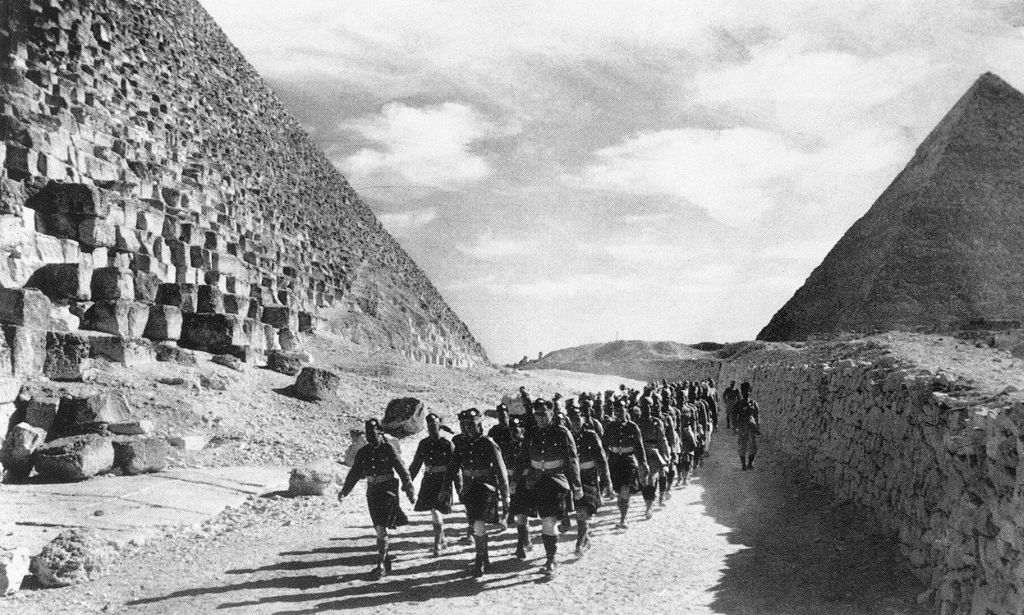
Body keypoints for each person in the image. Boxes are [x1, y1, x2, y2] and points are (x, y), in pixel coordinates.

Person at [338, 418, 415, 579]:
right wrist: (345, 490)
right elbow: (355, 473)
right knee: (378, 528)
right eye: (368, 434)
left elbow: (401, 469)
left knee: (381, 528)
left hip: (387, 491)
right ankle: (386, 560)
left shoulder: (388, 448)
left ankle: (380, 565)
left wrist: (408, 487)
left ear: (380, 432)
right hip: (372, 492)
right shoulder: (364, 452)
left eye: (373, 433)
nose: (370, 437)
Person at [521, 398, 582, 576]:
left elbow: (572, 461)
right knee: (545, 520)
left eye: (543, 414)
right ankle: (562, 519)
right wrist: (516, 479)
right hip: (537, 482)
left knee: (548, 521)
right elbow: (523, 457)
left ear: (552, 413)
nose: (540, 418)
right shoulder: (531, 433)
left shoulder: (562, 433)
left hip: (556, 481)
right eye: (537, 415)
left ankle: (551, 559)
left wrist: (576, 486)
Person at [450, 408, 510, 577]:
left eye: (472, 424)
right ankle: (484, 556)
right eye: (466, 425)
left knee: (478, 524)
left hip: (486, 488)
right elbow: (453, 467)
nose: (469, 428)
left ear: (479, 424)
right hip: (469, 488)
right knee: (477, 526)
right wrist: (444, 487)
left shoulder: (488, 443)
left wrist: (505, 494)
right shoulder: (461, 443)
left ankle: (479, 559)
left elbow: (501, 470)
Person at [408, 413, 458, 556]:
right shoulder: (423, 444)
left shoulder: (447, 444)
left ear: (439, 426)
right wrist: (408, 482)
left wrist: (458, 485)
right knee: (433, 511)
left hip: (443, 481)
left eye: (434, 426)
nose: (431, 429)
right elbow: (416, 464)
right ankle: (441, 540)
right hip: (428, 480)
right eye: (429, 426)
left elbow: (455, 467)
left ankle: (437, 543)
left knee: (436, 511)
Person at [567, 406, 612, 555]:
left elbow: (602, 459)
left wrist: (606, 480)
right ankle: (582, 540)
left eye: (578, 419)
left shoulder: (591, 435)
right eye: (572, 420)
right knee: (580, 512)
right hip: (574, 478)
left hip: (590, 477)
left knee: (585, 512)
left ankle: (581, 542)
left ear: (583, 419)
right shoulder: (567, 436)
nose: (575, 423)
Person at [603, 399, 648, 529]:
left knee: (625, 491)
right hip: (614, 461)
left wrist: (643, 463)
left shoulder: (632, 427)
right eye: (616, 411)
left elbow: (639, 447)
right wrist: (603, 463)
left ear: (626, 410)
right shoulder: (610, 427)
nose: (618, 413)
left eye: (621, 410)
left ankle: (623, 519)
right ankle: (622, 512)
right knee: (619, 491)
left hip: (628, 461)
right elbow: (604, 446)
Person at [636, 397, 669, 519]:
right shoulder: (637, 423)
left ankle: (649, 507)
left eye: (649, 407)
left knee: (651, 478)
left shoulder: (657, 422)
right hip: (641, 453)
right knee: (643, 480)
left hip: (654, 453)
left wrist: (666, 456)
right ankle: (648, 502)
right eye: (644, 408)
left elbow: (662, 440)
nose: (647, 410)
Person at [734, 382, 761, 470]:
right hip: (742, 426)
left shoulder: (754, 403)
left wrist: (757, 427)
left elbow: (757, 416)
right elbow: (734, 416)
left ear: (750, 392)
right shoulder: (738, 404)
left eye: (748, 391)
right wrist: (735, 427)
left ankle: (750, 463)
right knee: (742, 446)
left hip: (751, 427)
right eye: (744, 391)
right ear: (742, 392)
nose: (746, 393)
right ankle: (743, 464)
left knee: (753, 445)